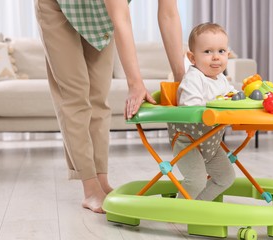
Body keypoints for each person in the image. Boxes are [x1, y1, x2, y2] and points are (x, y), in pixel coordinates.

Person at [34, 0, 185, 213]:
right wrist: (135, 84)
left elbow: (169, 15)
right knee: (76, 96)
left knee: (99, 97)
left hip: (98, 12)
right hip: (59, 5)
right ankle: (90, 187)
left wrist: (182, 81)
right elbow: (121, 19)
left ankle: (102, 181)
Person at [168, 23, 237, 201]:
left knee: (226, 178)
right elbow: (192, 108)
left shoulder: (221, 79)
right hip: (188, 142)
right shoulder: (193, 79)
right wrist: (217, 107)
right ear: (192, 57)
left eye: (221, 51)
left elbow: (232, 97)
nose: (215, 57)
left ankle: (198, 206)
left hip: (211, 142)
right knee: (196, 180)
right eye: (207, 52)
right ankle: (177, 213)